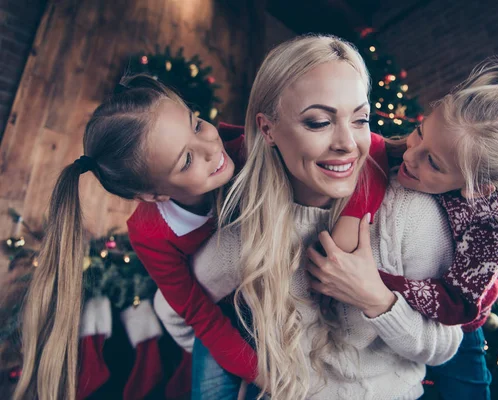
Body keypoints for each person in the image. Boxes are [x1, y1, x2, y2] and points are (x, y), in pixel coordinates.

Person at [155, 34, 463, 400]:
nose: (347, 143)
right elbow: (176, 311)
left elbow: (445, 346)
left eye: (361, 119)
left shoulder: (409, 212)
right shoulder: (246, 233)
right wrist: (253, 370)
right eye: (319, 122)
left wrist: (376, 300)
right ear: (268, 129)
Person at [330, 61, 498, 400]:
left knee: (467, 391)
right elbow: (379, 148)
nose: (412, 156)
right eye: (420, 132)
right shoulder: (422, 150)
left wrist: (375, 281)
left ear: (479, 188)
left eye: (434, 163)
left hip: (461, 316)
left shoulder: (494, 225)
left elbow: (457, 304)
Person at [13, 75, 259, 400]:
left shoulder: (244, 148)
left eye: (196, 124)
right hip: (220, 318)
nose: (211, 149)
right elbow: (200, 316)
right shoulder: (149, 235)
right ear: (153, 195)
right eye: (185, 160)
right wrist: (260, 371)